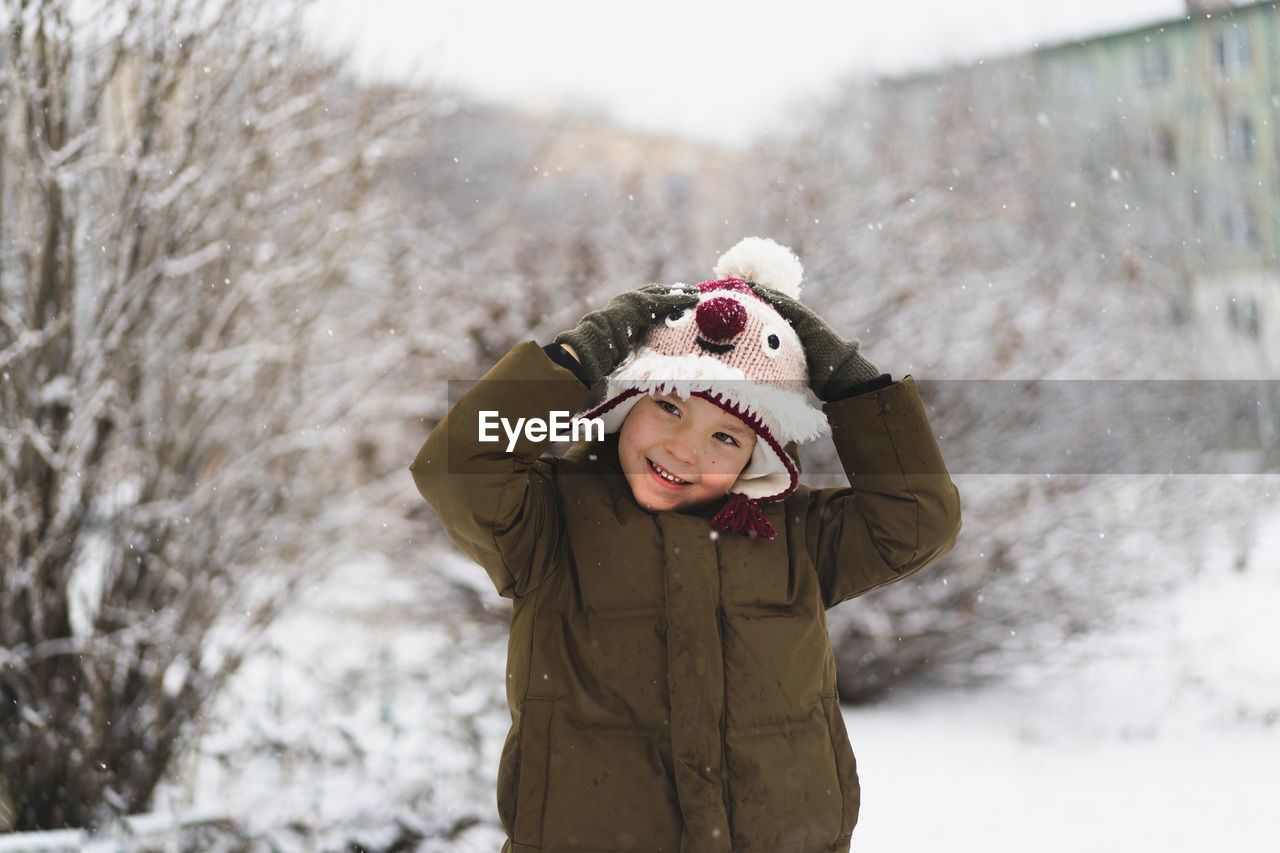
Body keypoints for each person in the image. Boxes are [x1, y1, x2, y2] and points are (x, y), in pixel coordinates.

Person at [411, 237, 961, 853]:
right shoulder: (549, 521)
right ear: (622, 404)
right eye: (668, 406)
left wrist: (849, 382)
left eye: (727, 437)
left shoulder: (794, 534)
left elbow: (918, 519)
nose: (685, 450)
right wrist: (581, 353)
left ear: (762, 457)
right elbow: (456, 466)